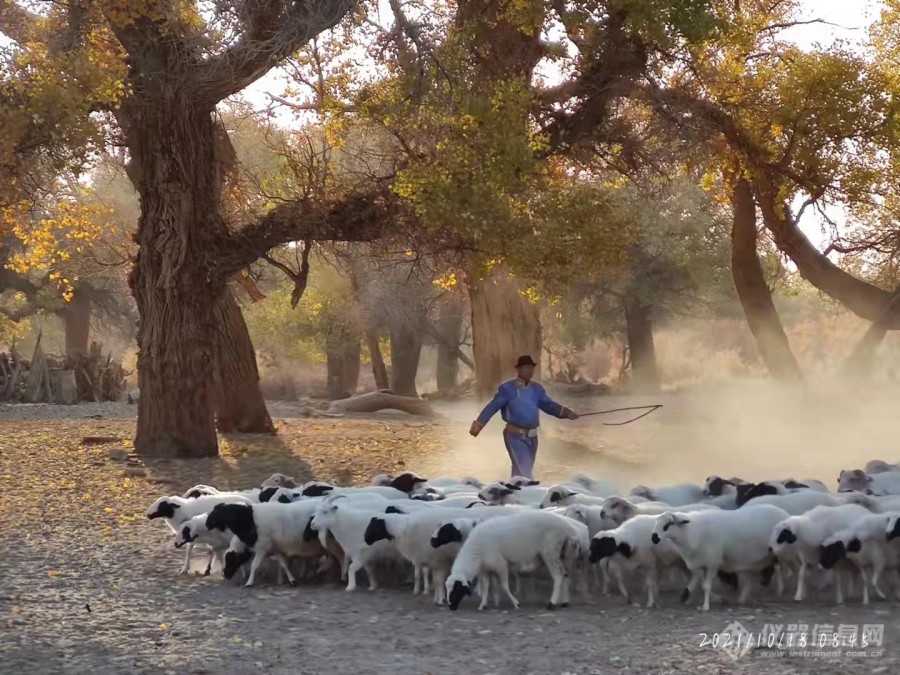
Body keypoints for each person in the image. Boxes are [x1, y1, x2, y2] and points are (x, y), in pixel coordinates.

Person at [469, 355, 579, 479]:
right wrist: (479, 424)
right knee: (525, 472)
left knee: (519, 471)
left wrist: (566, 412)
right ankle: (530, 493)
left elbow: (548, 405)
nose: (529, 371)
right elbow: (492, 406)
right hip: (515, 436)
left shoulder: (537, 389)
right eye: (526, 368)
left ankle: (513, 495)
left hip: (533, 438)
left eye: (531, 368)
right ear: (519, 370)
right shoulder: (508, 389)